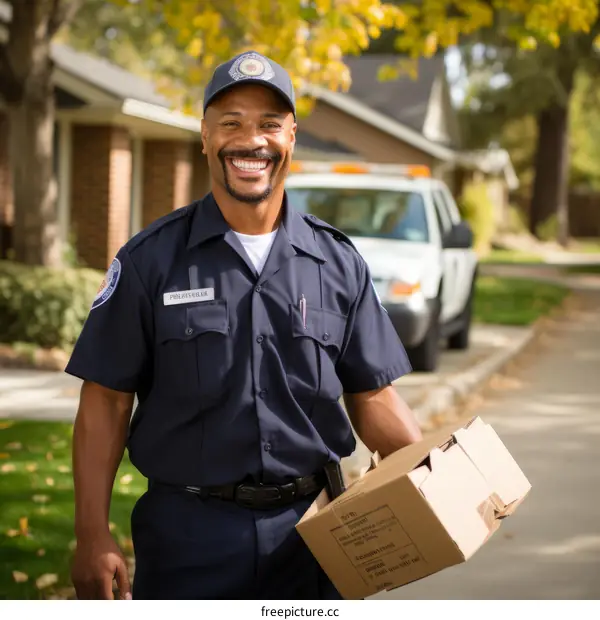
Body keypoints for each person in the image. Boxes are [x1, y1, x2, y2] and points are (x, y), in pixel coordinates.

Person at [67, 50, 423, 601]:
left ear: (292, 139)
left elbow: (373, 395)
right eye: (230, 122)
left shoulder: (338, 262)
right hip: (187, 537)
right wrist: (91, 533)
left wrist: (435, 476)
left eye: (269, 125)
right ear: (205, 135)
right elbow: (105, 400)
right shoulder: (149, 262)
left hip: (314, 536)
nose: (250, 141)